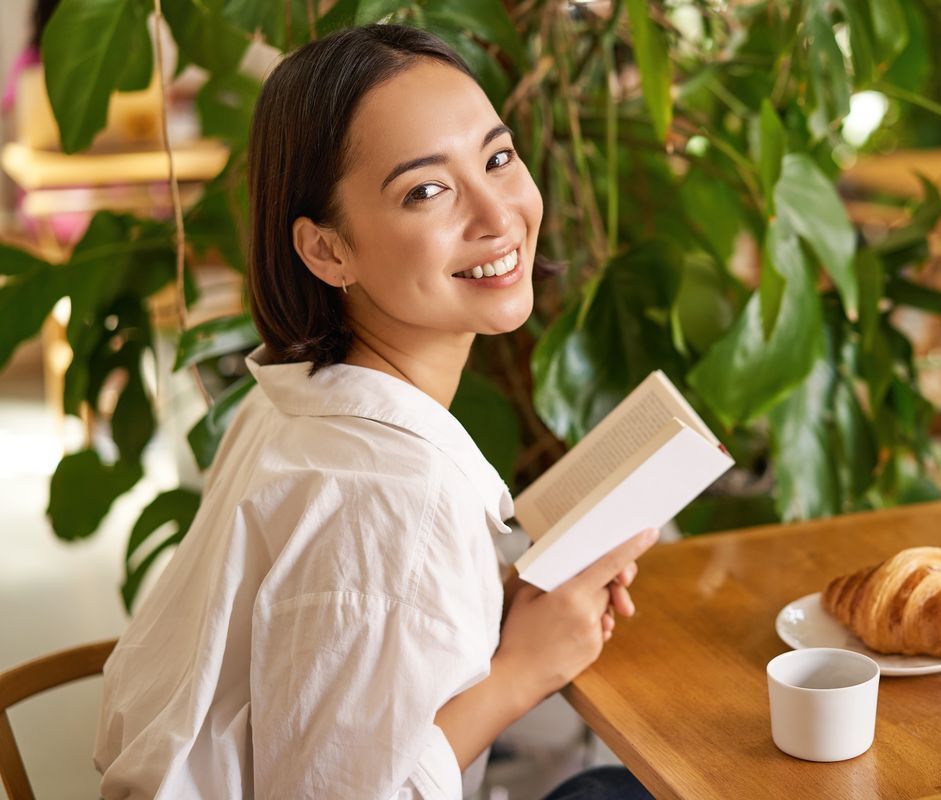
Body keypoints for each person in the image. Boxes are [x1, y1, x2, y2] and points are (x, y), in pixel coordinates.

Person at [92, 24, 657, 799]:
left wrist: (503, 607)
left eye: (497, 158)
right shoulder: (397, 492)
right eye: (426, 190)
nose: (498, 215)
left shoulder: (297, 399)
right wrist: (521, 672)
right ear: (327, 251)